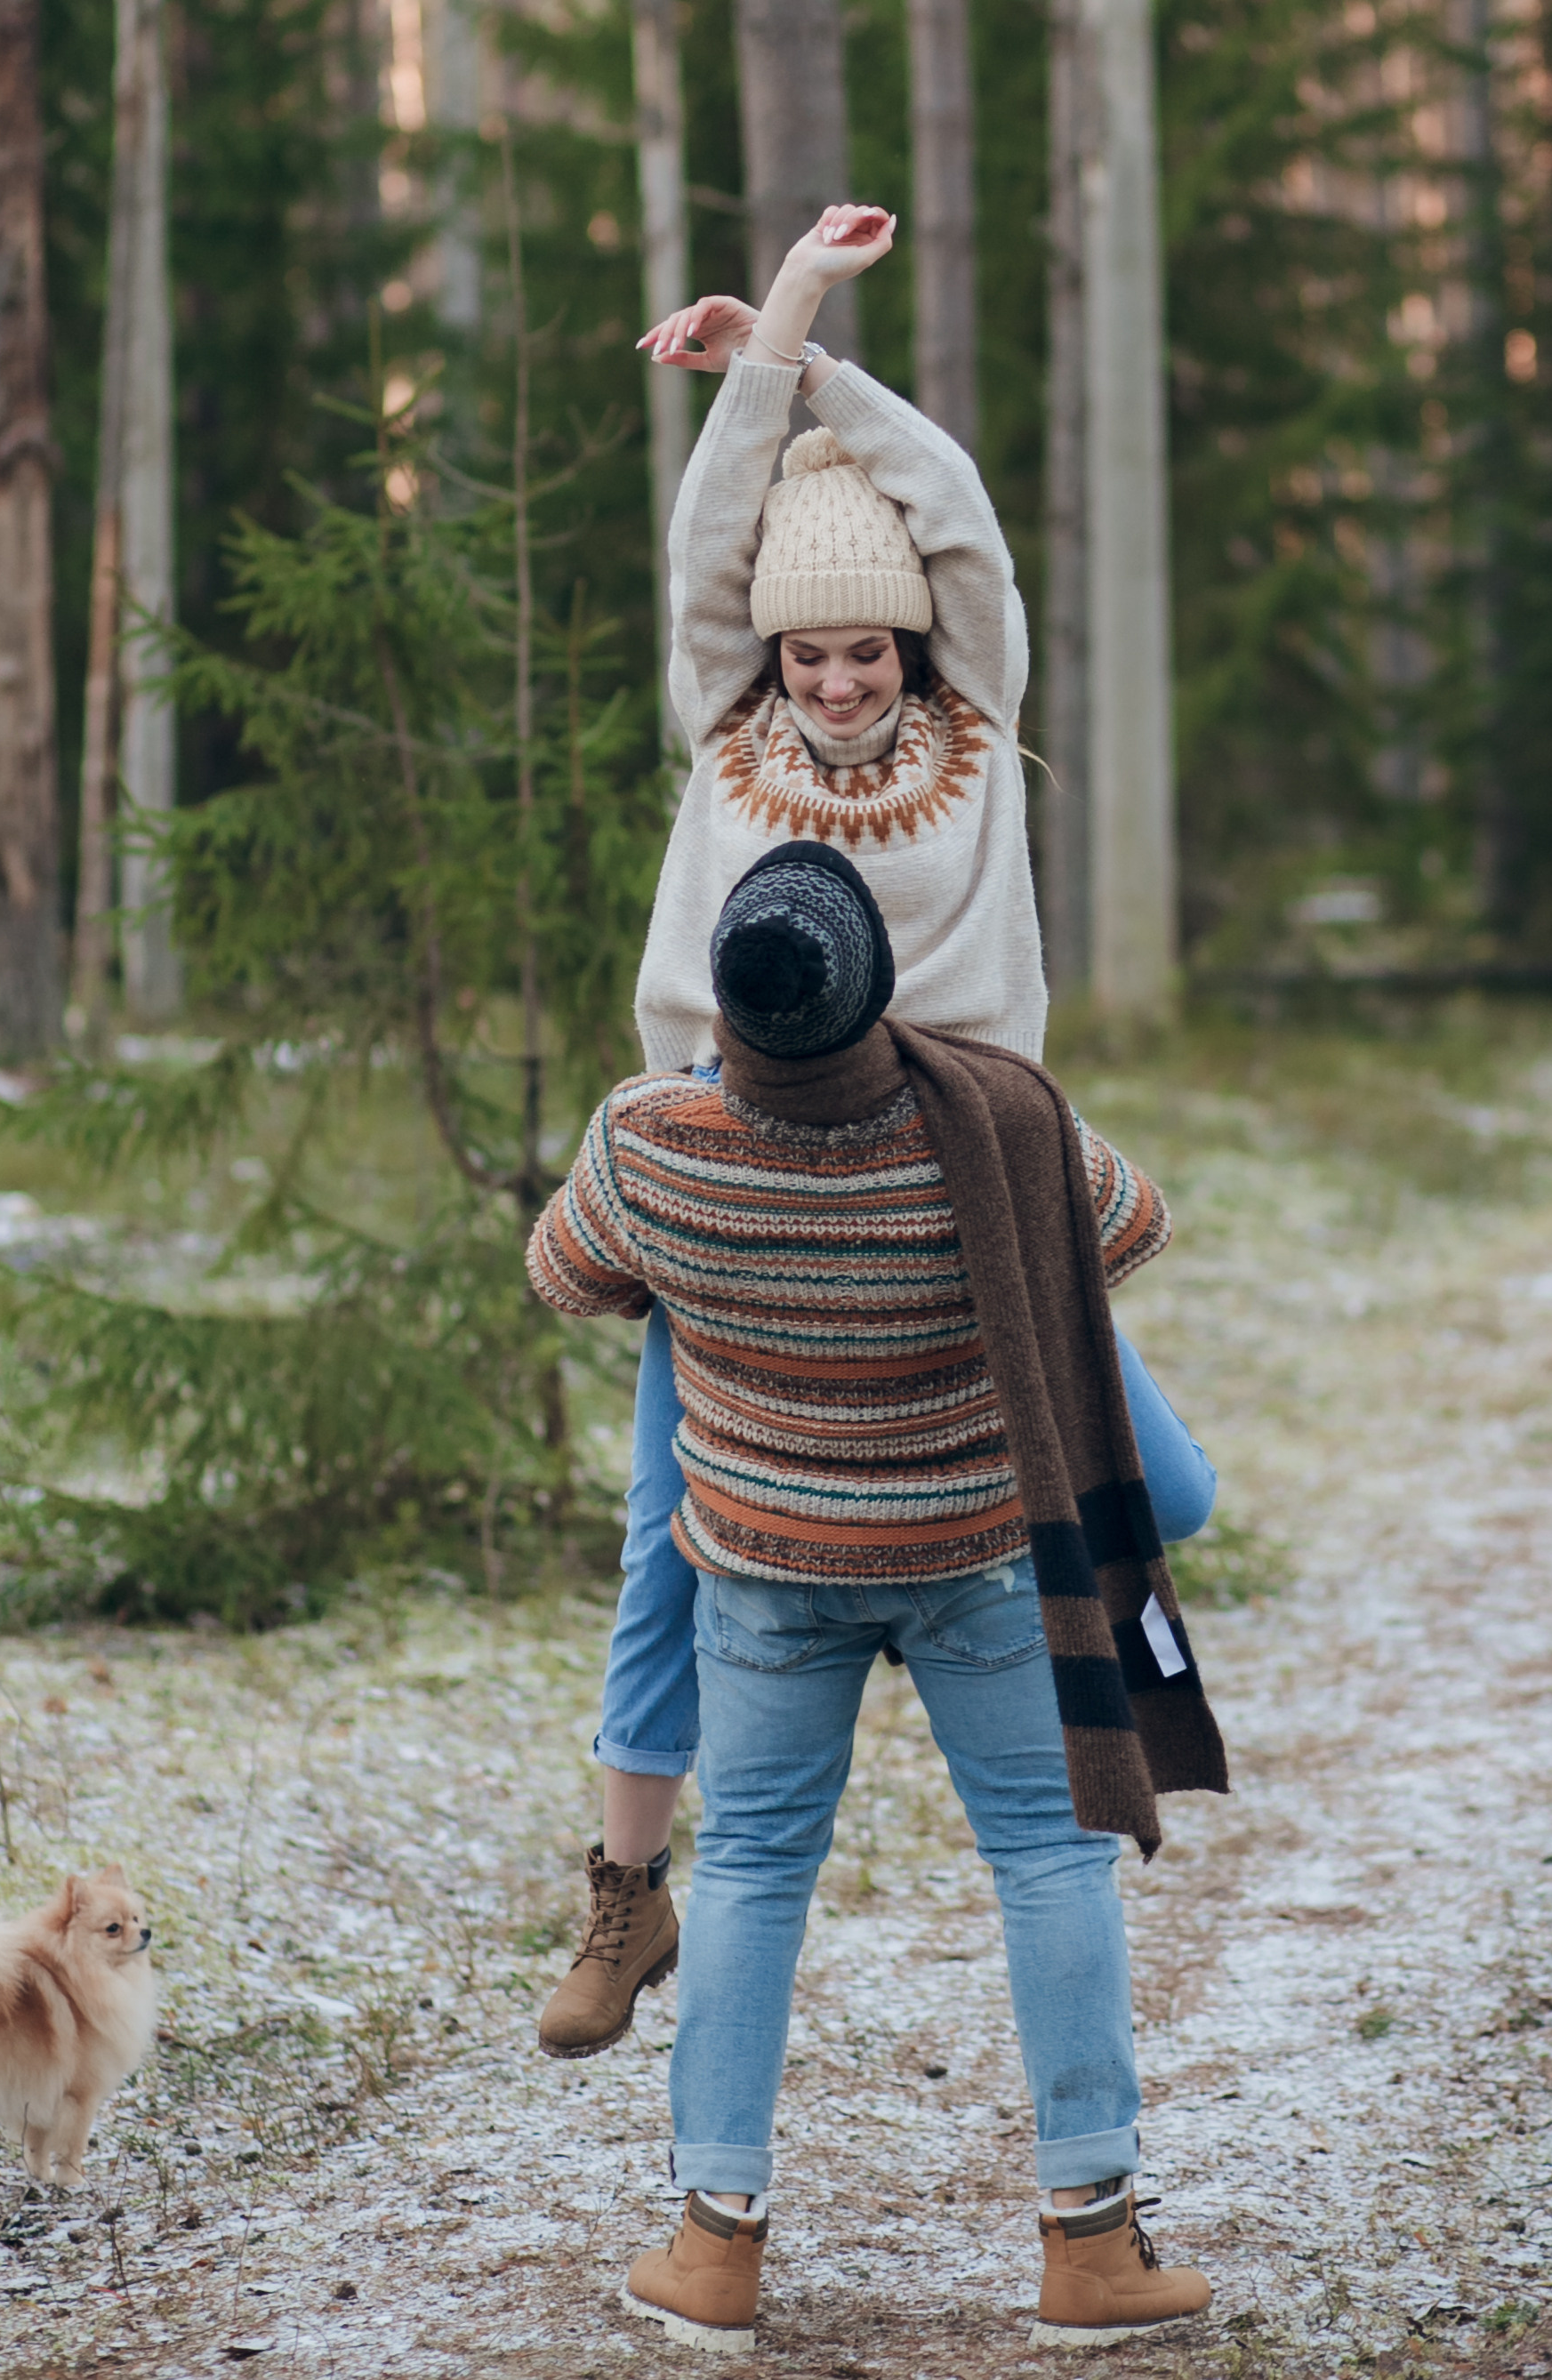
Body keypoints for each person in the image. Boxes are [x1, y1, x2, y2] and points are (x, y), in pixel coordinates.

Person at [537, 204, 1218, 2065]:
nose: (836, 683)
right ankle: (625, 1893)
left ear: (913, 648)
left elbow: (967, 514)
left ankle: (1038, 1650)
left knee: (1173, 1489)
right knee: (665, 1540)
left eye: (864, 653)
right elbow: (702, 549)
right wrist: (769, 338)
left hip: (968, 1183)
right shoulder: (723, 735)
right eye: (810, 654)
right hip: (738, 1183)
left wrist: (819, 348)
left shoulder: (978, 731)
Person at [527, 846, 1226, 2352]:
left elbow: (563, 1273)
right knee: (1050, 1860)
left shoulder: (651, 1139)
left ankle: (713, 2248)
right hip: (975, 1554)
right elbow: (1137, 1229)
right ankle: (1092, 2246)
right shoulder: (995, 1119)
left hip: (766, 1572)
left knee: (756, 1877)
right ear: (875, 991)